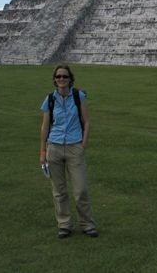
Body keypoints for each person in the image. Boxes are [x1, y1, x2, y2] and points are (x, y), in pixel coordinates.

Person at [39, 65, 98, 239]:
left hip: (74, 147)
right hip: (54, 147)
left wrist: (83, 144)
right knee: (59, 191)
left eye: (64, 76)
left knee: (81, 190)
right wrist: (42, 151)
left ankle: (87, 224)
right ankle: (64, 224)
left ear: (70, 79)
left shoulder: (79, 96)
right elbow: (44, 127)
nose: (61, 79)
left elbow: (86, 122)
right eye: (58, 76)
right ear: (54, 79)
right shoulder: (50, 99)